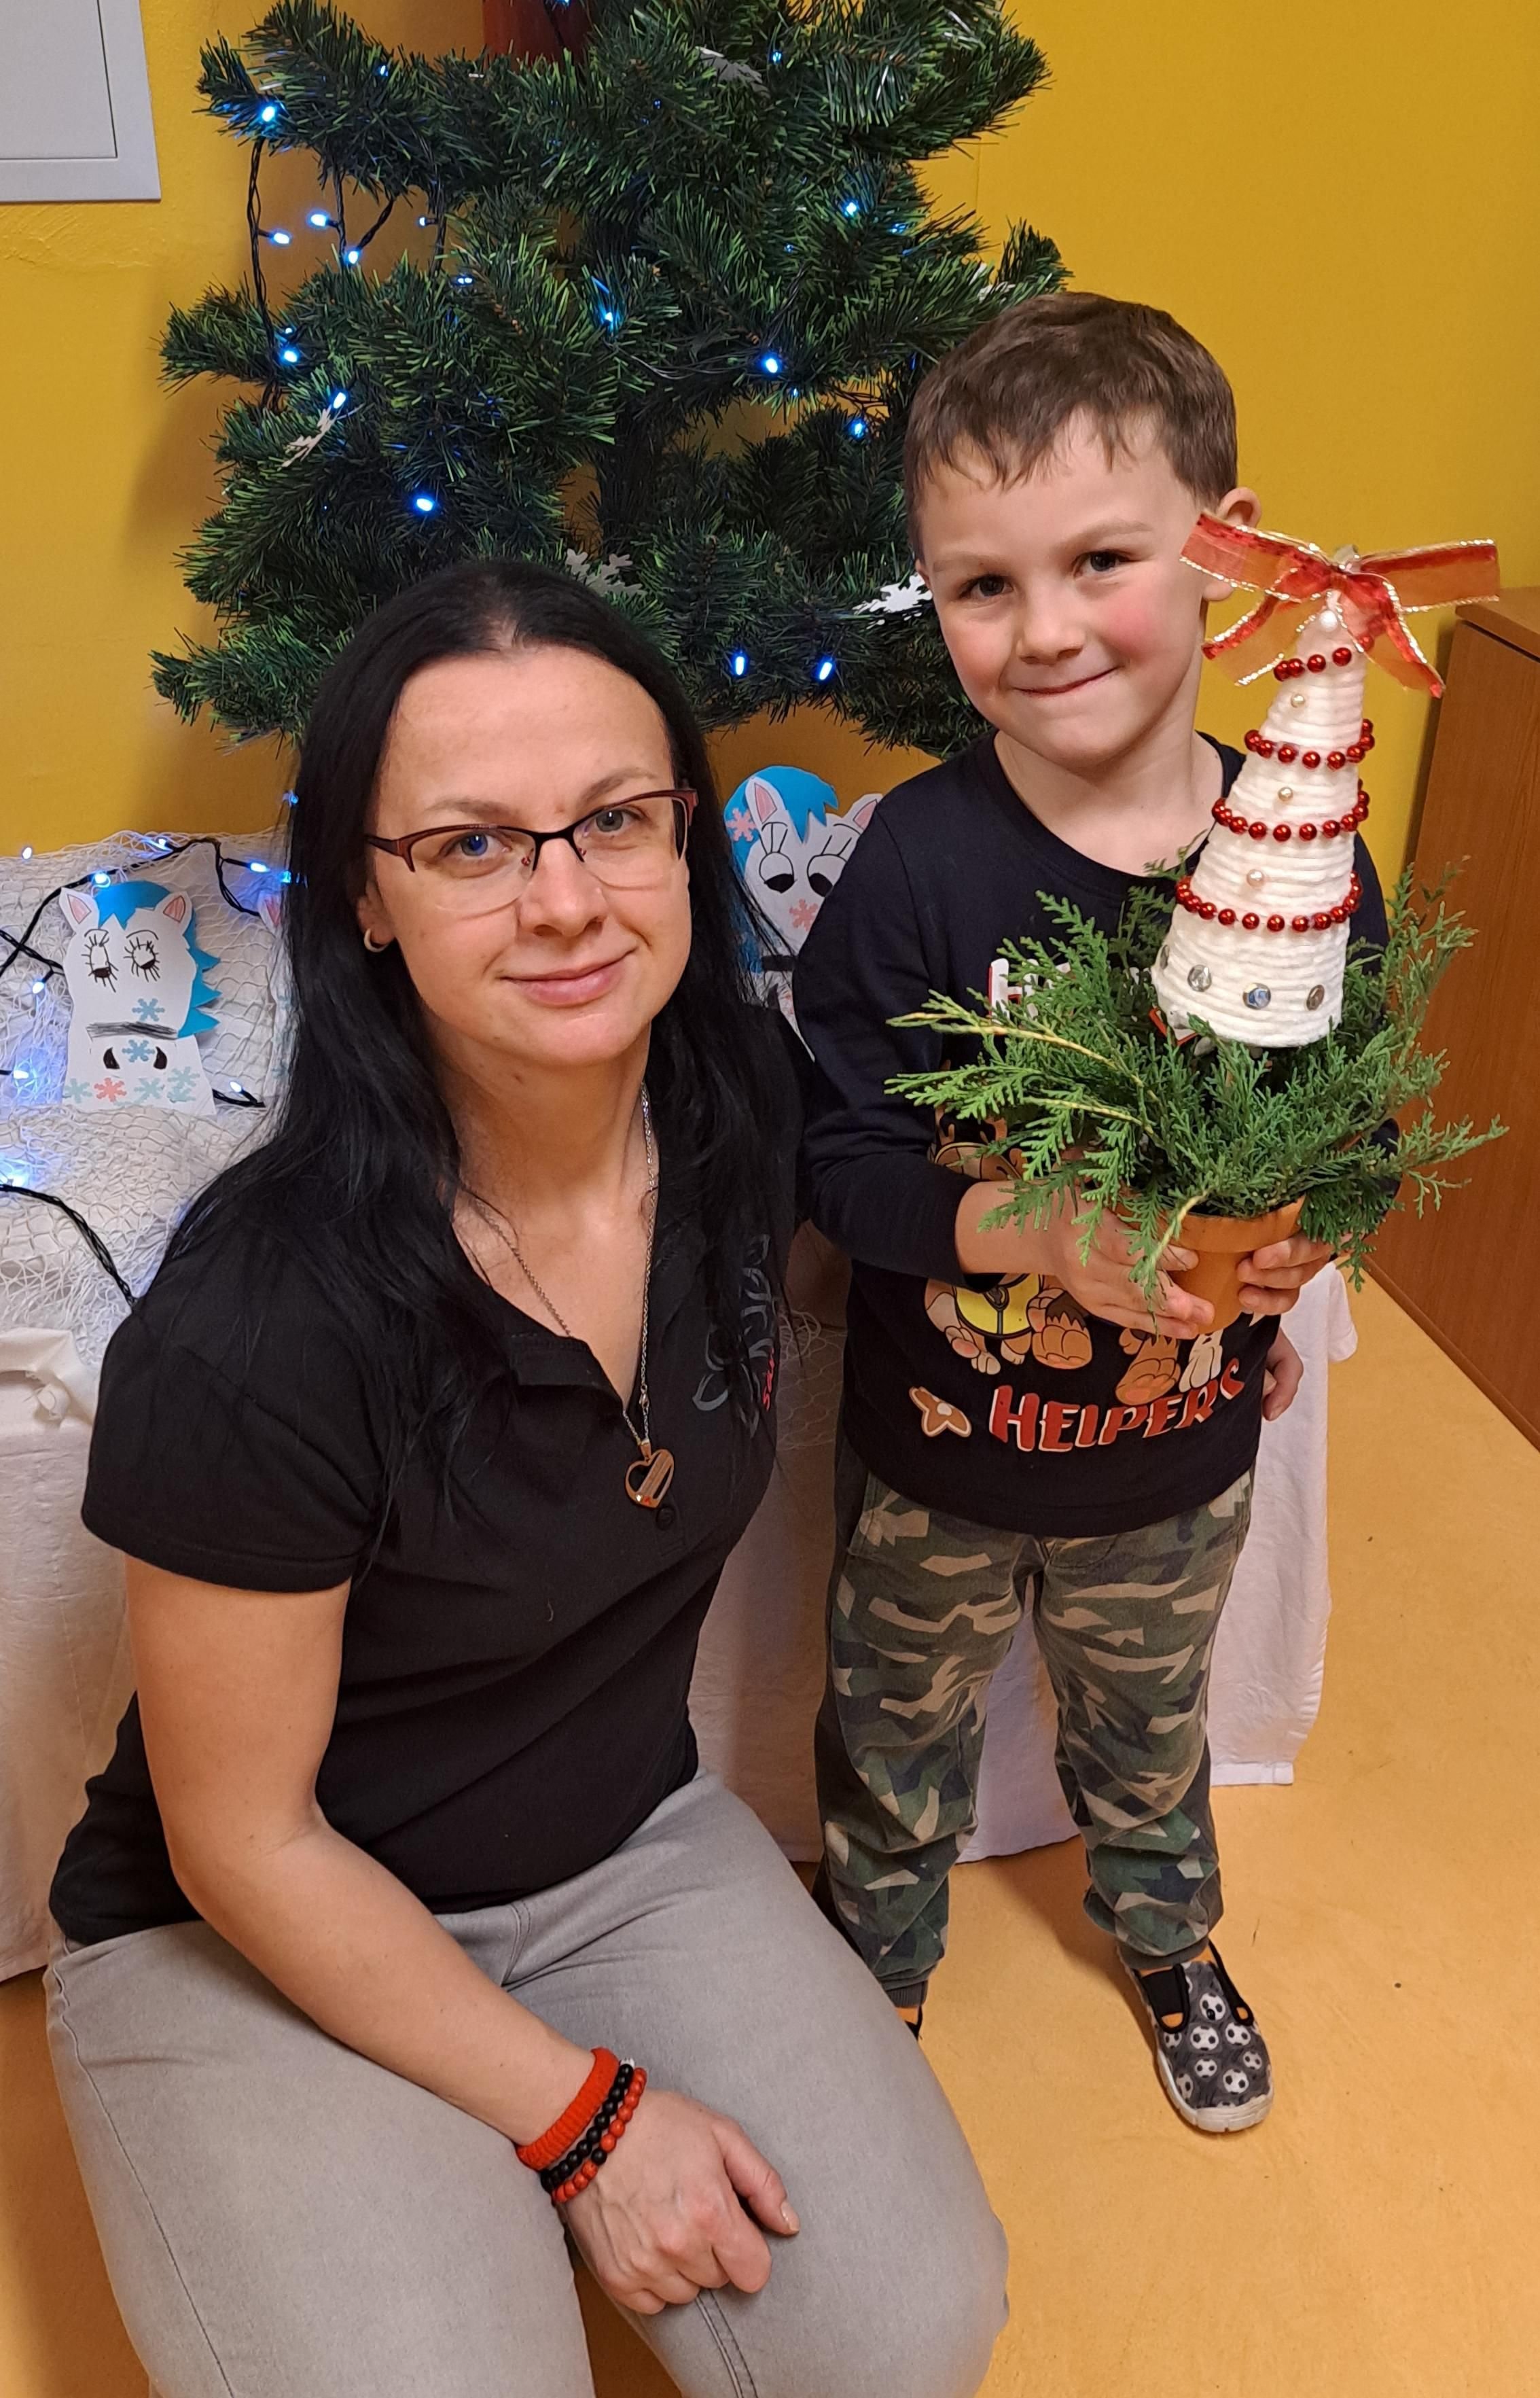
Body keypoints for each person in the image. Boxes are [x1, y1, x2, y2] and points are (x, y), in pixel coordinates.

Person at [46, 561, 1006, 2398]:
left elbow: (877, 1253)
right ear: (364, 896)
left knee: (907, 2334)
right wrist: (582, 2121)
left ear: (684, 836)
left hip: (612, 1841)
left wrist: (1114, 1293)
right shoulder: (258, 1325)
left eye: (614, 821)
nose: (564, 900)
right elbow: (243, 1837)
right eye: (471, 845)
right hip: (250, 1921)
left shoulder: (733, 1101)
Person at [793, 294, 1388, 2132]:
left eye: (1100, 561)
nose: (1042, 629)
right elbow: (834, 1158)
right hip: (937, 1449)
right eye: (982, 585)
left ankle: (1167, 1932)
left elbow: (1351, 1124)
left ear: (1227, 548)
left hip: (1174, 1454)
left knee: (1148, 1728)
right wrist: (1022, 1232)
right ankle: (870, 1970)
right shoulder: (916, 864)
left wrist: (1299, 1257)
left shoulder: (1304, 846)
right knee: (890, 1737)